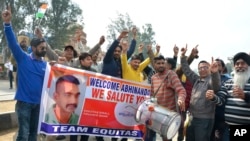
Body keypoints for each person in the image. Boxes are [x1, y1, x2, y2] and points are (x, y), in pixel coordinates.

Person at [2, 6, 47, 141]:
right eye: (41, 48)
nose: (44, 50)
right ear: (33, 48)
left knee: (33, 134)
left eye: (45, 48)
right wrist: (7, 24)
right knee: (23, 134)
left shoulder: (46, 65)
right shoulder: (23, 58)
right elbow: (12, 43)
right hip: (24, 104)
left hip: (38, 105)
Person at [180, 46, 221, 141]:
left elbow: (216, 86)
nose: (202, 69)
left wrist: (215, 73)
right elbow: (187, 70)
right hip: (192, 118)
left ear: (209, 68)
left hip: (204, 120)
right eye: (200, 68)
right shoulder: (196, 80)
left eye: (205, 67)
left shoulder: (210, 80)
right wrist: (182, 57)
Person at [208, 52, 250, 141]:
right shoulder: (228, 83)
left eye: (243, 63)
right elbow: (221, 100)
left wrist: (246, 96)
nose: (239, 66)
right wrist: (213, 97)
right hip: (228, 128)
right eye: (237, 64)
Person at [148, 55, 186, 141]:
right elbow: (152, 95)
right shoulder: (153, 78)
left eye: (162, 63)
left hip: (170, 114)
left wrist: (181, 99)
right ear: (154, 64)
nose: (161, 65)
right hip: (158, 113)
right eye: (158, 63)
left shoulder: (171, 74)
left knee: (167, 138)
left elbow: (181, 90)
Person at [210, 58, 231, 141]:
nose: (216, 66)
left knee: (221, 137)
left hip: (221, 115)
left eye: (218, 65)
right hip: (209, 115)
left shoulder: (227, 81)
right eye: (214, 64)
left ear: (222, 68)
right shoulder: (207, 78)